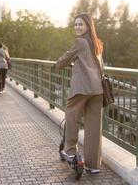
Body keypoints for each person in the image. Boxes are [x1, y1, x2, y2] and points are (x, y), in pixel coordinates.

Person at [55, 13, 104, 174]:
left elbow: (64, 60)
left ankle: (69, 151)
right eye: (75, 24)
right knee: (94, 127)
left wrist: (58, 64)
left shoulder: (80, 42)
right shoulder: (97, 43)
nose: (77, 27)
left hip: (81, 88)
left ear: (88, 26)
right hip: (97, 90)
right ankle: (93, 164)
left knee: (72, 117)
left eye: (80, 24)